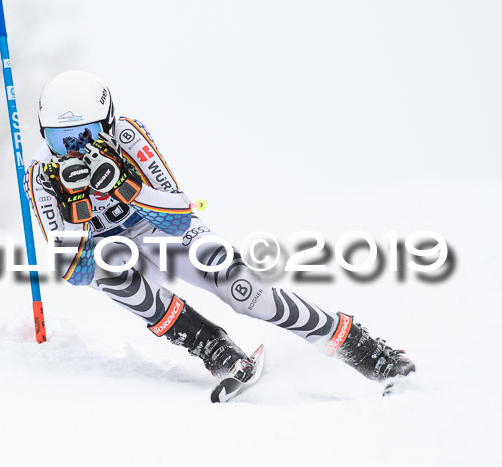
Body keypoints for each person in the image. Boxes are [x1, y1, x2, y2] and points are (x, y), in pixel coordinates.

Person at [24, 70, 415, 386]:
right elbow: (76, 272)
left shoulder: (127, 136)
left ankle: (358, 346)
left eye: (87, 135)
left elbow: (178, 213)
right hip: (111, 250)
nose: (75, 149)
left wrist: (125, 186)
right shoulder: (42, 174)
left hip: (158, 231)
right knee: (118, 281)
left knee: (244, 291)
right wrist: (75, 207)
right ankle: (211, 346)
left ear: (107, 123)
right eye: (61, 140)